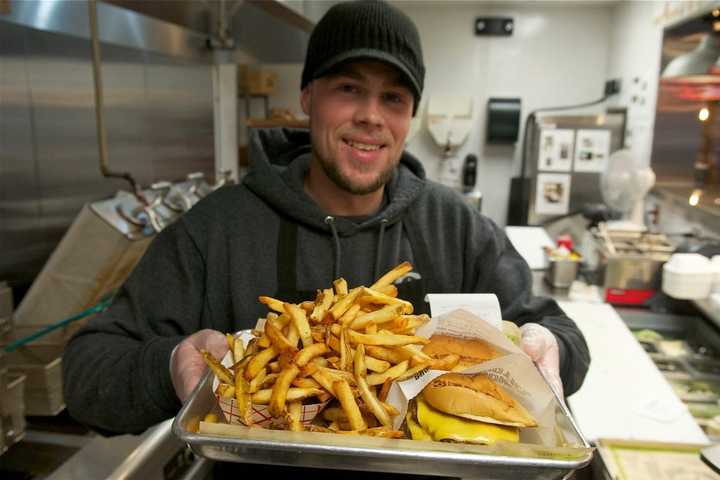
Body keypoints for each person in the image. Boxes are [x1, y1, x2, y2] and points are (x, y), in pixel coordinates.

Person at [64, 0, 588, 447]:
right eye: (348, 88)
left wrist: (549, 347)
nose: (371, 116)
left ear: (410, 117)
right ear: (308, 96)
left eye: (394, 98)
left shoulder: (456, 226)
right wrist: (174, 362)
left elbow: (563, 337)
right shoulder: (218, 228)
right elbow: (86, 375)